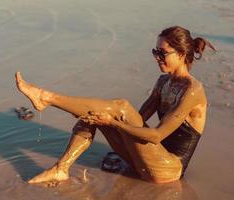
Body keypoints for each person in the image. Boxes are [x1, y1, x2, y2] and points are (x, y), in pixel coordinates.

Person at [15, 26, 215, 184]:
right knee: (94, 115)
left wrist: (113, 124)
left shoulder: (193, 90)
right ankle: (61, 169)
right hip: (146, 161)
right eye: (155, 51)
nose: (156, 57)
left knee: (120, 107)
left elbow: (156, 135)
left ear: (181, 54)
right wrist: (99, 117)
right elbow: (137, 118)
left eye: (162, 53)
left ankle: (46, 97)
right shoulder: (164, 82)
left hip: (168, 169)